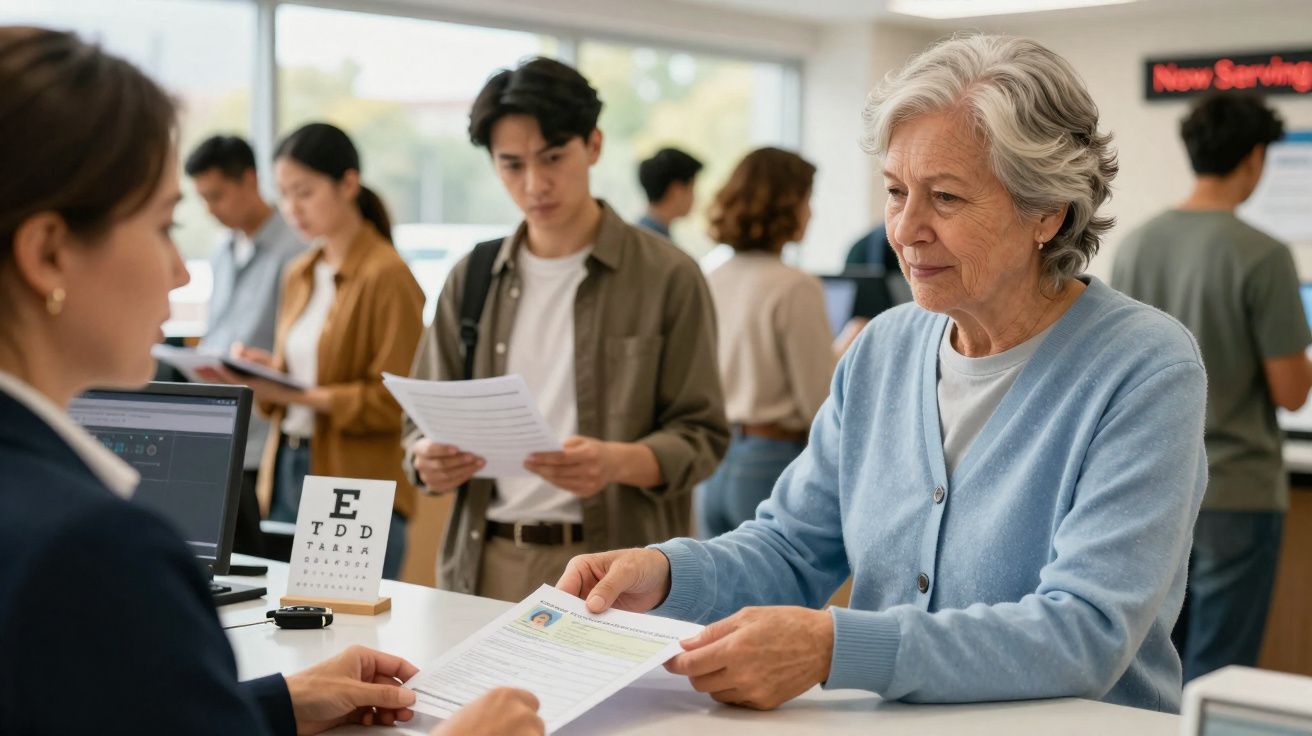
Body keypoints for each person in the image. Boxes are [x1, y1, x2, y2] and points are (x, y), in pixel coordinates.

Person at [558, 34, 1208, 714]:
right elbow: (791, 549)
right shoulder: (884, 349)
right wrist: (662, 575)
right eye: (897, 192)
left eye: (947, 198)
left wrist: (835, 649)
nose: (905, 228)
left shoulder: (1144, 367)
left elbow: (1087, 630)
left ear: (1047, 211)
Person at [0, 26, 542, 735]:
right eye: (165, 226)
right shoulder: (97, 550)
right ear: (47, 253)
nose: (182, 270)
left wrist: (280, 702)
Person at [403, 57, 728, 602]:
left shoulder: (668, 276)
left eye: (553, 157)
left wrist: (614, 462)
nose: (535, 184)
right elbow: (417, 425)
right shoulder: (473, 277)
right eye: (511, 165)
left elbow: (704, 438)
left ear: (593, 145)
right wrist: (425, 459)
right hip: (485, 562)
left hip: (615, 572)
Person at [1112, 92, 1309, 683]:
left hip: (1150, 486)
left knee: (1149, 666)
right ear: (1253, 159)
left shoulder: (1136, 245)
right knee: (1217, 670)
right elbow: (1291, 392)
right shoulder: (1264, 255)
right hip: (1236, 494)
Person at [201, 123, 425, 581]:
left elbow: (397, 403)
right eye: (284, 193)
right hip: (286, 465)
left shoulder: (387, 275)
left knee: (351, 628)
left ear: (347, 183)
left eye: (304, 191)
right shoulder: (301, 271)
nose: (292, 208)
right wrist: (266, 373)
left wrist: (301, 395)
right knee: (291, 623)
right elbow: (296, 375)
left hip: (355, 482)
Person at [697, 147, 836, 537]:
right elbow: (819, 404)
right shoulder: (794, 286)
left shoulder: (710, 277)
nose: (811, 212)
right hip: (769, 462)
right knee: (771, 594)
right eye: (807, 200)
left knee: (719, 591)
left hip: (716, 462)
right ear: (786, 204)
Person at [186, 134, 307, 556]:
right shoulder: (222, 252)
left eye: (216, 195)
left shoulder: (299, 250)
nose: (210, 209)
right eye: (202, 198)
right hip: (217, 431)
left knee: (264, 557)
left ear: (250, 180)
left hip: (265, 436)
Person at [637, 147, 703, 241]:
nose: (695, 197)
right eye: (691, 188)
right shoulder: (654, 242)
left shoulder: (644, 235)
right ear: (676, 191)